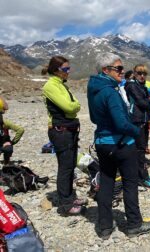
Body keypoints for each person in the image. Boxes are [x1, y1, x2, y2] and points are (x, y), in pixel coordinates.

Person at [87, 53, 150, 239]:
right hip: (122, 144)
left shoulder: (94, 88)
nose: (122, 71)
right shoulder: (110, 91)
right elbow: (120, 123)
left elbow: (94, 117)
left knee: (107, 181)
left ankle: (104, 226)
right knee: (130, 183)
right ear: (105, 70)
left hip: (102, 143)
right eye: (118, 68)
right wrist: (135, 131)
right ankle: (134, 224)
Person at [42, 56, 87, 216]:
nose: (68, 72)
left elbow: (75, 104)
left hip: (69, 130)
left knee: (70, 166)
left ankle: (69, 196)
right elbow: (70, 106)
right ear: (56, 70)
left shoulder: (61, 85)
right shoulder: (50, 86)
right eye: (66, 69)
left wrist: (74, 107)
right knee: (65, 168)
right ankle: (66, 205)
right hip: (61, 132)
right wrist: (74, 107)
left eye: (69, 69)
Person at [125, 65, 150, 188]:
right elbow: (143, 103)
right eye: (139, 73)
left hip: (142, 121)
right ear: (134, 73)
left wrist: (149, 100)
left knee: (140, 149)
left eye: (144, 74)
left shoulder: (142, 86)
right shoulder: (132, 86)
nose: (142, 76)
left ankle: (139, 176)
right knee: (140, 151)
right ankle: (143, 177)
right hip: (136, 121)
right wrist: (149, 100)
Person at [0, 97, 24, 165]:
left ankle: (6, 162)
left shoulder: (5, 122)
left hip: (3, 144)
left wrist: (11, 142)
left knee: (8, 148)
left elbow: (20, 130)